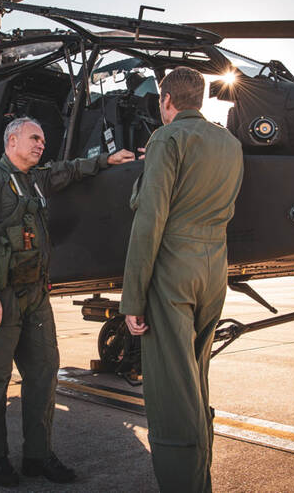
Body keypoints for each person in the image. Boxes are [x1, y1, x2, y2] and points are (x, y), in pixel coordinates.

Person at [0, 117, 134, 487]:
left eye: (43, 139)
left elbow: (67, 171)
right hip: (0, 298)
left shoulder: (35, 181)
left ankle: (38, 456)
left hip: (35, 296)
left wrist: (106, 161)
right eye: (34, 138)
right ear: (12, 141)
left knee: (42, 375)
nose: (41, 145)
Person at [120, 66, 244, 492]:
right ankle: (200, 479)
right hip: (214, 270)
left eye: (160, 101)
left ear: (167, 100)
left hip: (173, 270)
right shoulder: (229, 143)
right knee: (196, 378)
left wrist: (132, 299)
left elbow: (150, 221)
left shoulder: (167, 138)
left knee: (172, 394)